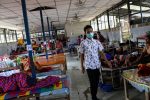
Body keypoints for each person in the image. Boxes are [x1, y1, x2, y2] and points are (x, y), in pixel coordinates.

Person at [79, 25, 111, 100]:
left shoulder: (97, 42)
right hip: (89, 66)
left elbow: (102, 53)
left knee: (96, 82)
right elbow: (81, 55)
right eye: (88, 32)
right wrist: (82, 66)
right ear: (85, 33)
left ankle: (94, 96)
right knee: (92, 82)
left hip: (97, 65)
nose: (90, 33)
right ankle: (94, 97)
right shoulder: (83, 43)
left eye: (91, 31)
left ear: (93, 32)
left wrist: (107, 62)